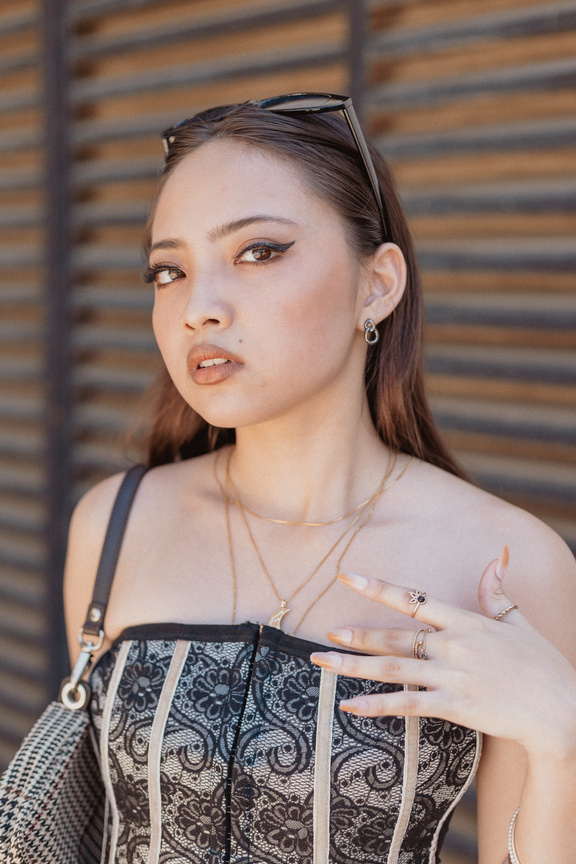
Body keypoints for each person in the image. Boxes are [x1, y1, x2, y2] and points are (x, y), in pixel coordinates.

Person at [63, 94, 576, 864]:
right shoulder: (115, 523)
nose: (197, 308)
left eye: (259, 251)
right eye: (168, 270)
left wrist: (560, 740)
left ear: (377, 286)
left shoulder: (507, 565)